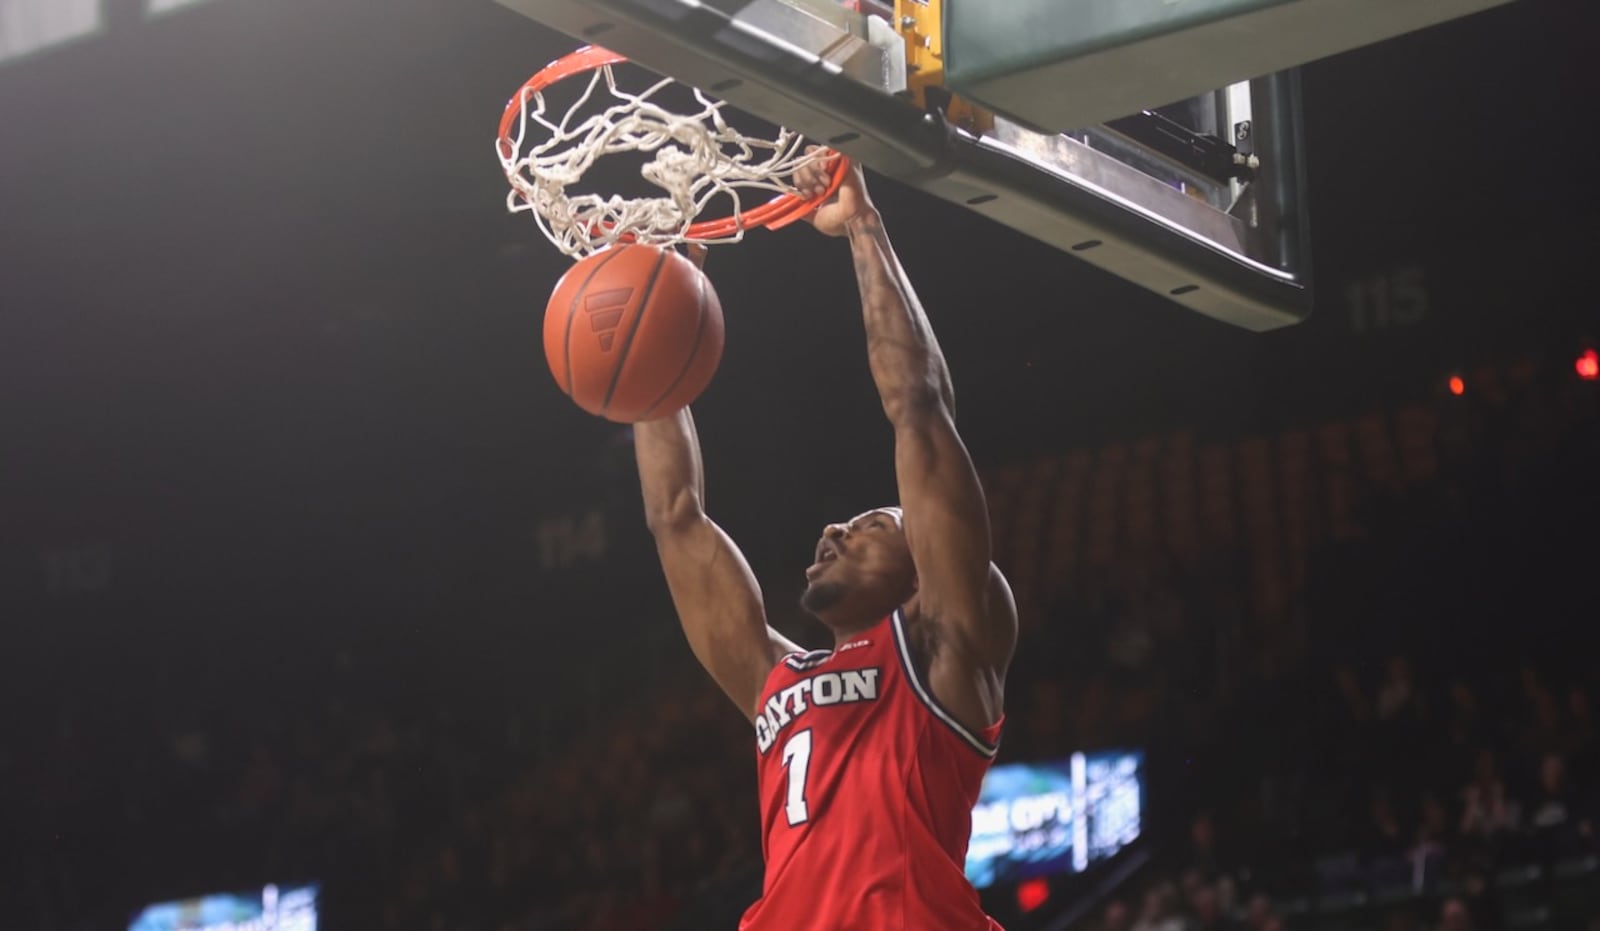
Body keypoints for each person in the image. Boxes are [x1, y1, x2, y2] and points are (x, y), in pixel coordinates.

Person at [631, 155, 1017, 930]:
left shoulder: (943, 649)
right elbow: (676, 515)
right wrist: (656, 344)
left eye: (874, 524)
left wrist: (861, 227)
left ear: (921, 576)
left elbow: (919, 407)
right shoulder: (774, 675)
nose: (834, 527)